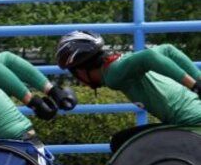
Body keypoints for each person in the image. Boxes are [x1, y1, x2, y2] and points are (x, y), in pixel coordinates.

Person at [55, 30, 201, 152]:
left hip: (190, 123)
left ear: (81, 71)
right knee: (124, 140)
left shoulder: (114, 74)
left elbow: (149, 57)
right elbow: (168, 50)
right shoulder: (119, 62)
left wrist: (194, 85)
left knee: (120, 142)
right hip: (190, 117)